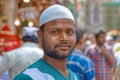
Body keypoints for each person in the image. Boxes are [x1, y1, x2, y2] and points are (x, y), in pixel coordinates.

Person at [14, 4, 80, 80]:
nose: (64, 38)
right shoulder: (28, 77)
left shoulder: (75, 77)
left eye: (69, 32)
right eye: (55, 32)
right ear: (40, 35)